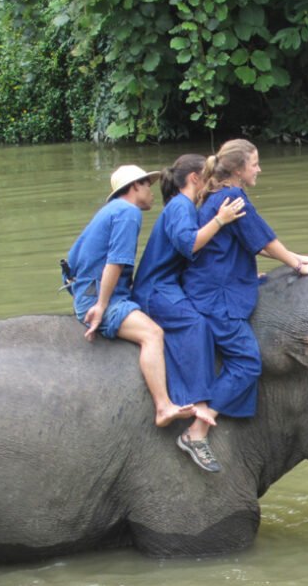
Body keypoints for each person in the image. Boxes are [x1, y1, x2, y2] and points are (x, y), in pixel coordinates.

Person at [181, 139, 308, 470]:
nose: (259, 169)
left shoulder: (223, 195)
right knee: (248, 362)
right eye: (255, 163)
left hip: (219, 285)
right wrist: (297, 265)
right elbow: (264, 240)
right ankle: (197, 430)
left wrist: (296, 257)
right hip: (216, 296)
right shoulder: (230, 197)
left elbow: (254, 240)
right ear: (237, 169)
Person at [132, 154, 247, 472]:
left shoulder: (185, 208)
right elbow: (190, 245)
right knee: (197, 325)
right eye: (208, 177)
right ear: (195, 178)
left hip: (171, 287)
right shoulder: (180, 207)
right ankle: (197, 406)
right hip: (156, 291)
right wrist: (220, 220)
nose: (212, 185)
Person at [66, 165, 196, 427]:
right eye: (147, 185)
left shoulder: (110, 212)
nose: (151, 191)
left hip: (90, 292)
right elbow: (115, 262)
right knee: (153, 334)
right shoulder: (128, 213)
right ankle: (163, 406)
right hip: (103, 298)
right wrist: (101, 306)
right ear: (135, 186)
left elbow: (73, 261)